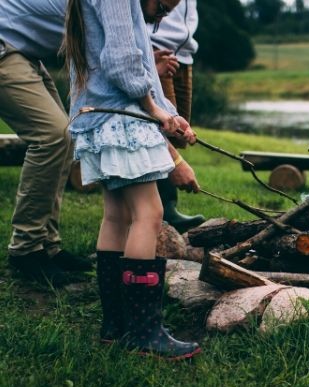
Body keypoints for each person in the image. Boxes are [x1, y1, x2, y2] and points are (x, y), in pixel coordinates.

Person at [63, 0, 202, 360]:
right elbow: (123, 62)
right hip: (119, 118)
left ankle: (117, 325)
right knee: (149, 214)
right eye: (164, 4)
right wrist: (157, 113)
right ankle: (144, 332)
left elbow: (134, 66)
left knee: (117, 217)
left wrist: (171, 116)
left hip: (99, 115)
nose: (166, 13)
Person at [0, 0, 93, 287]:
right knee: (53, 136)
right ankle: (26, 249)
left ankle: (47, 245)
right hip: (4, 47)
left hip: (26, 53)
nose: (161, 18)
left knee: (65, 138)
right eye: (162, 8)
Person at [149, 0, 205, 233]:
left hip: (184, 53)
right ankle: (162, 207)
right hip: (156, 47)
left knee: (178, 132)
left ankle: (164, 205)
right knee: (160, 126)